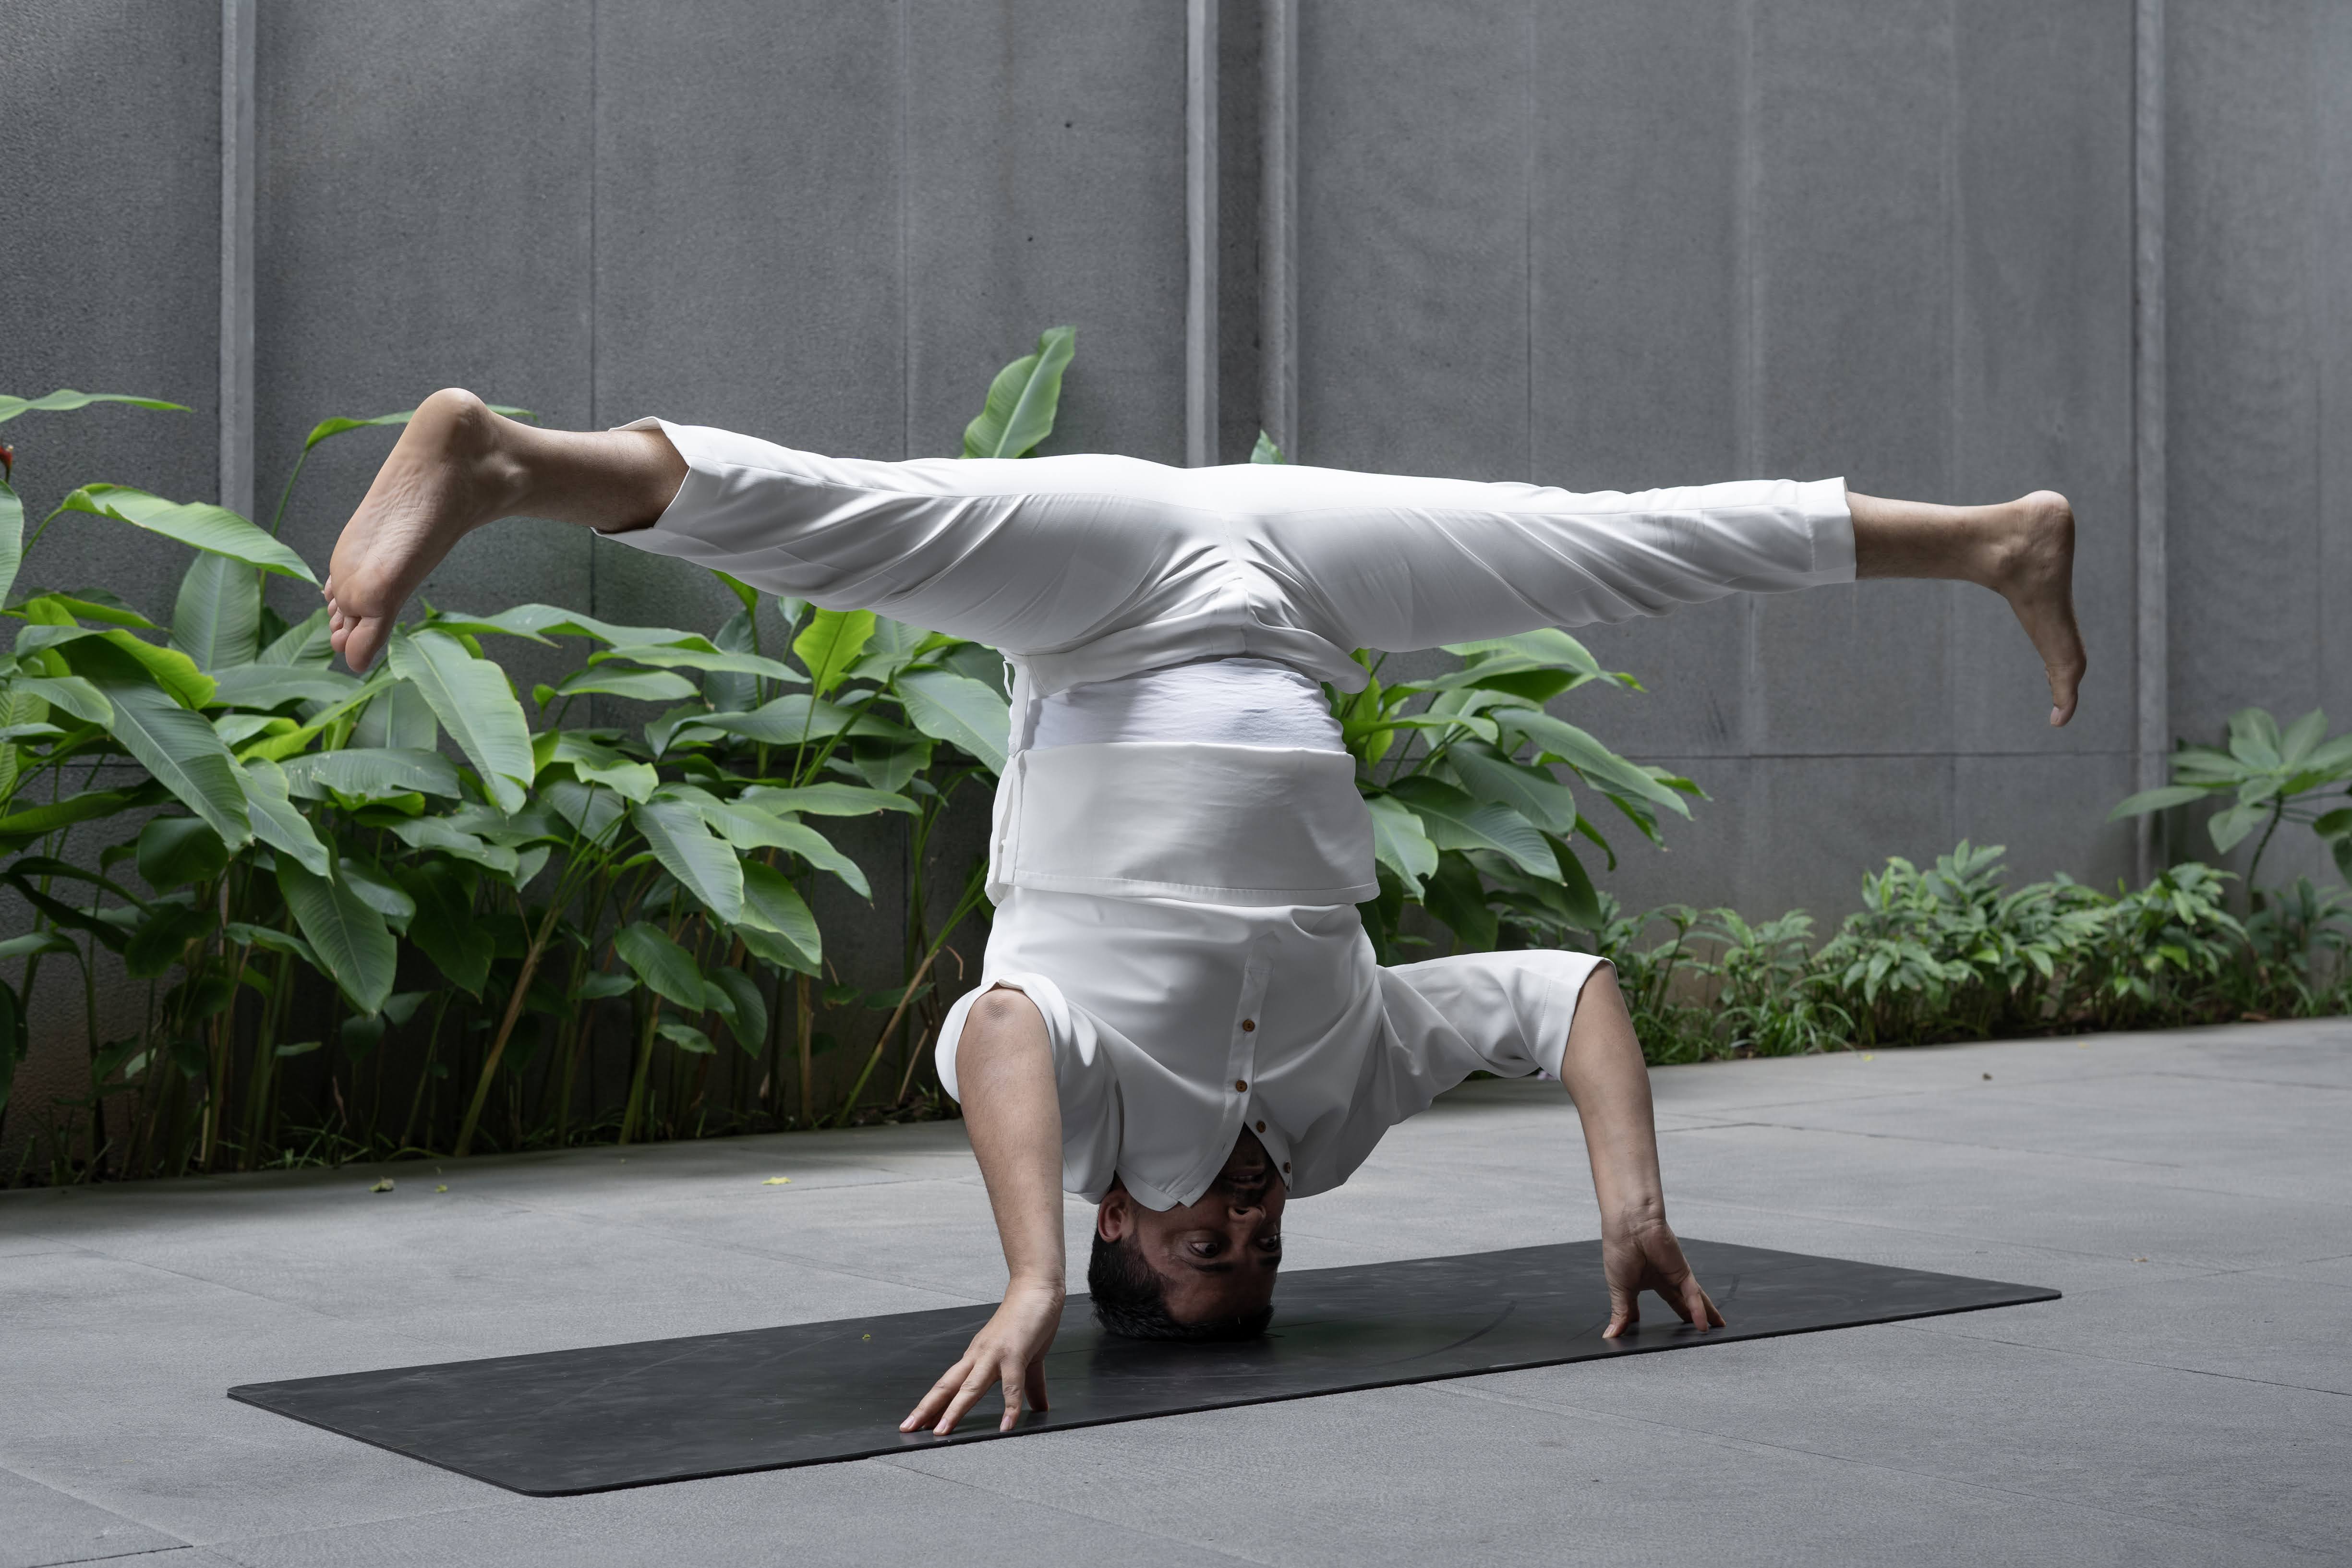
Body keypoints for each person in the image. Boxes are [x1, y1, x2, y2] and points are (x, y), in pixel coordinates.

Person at [325, 388, 2084, 1439]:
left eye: (1200, 1249)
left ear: (1119, 1222)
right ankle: (1992, 541)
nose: (1245, 1221)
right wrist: (1629, 1203)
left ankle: (504, 460)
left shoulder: (1085, 1113)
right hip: (1296, 585)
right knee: (1601, 546)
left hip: (1094, 608)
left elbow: (997, 1030)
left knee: (851, 520)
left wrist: (1026, 1276)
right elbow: (1568, 995)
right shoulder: (1337, 1113)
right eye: (1263, 1252)